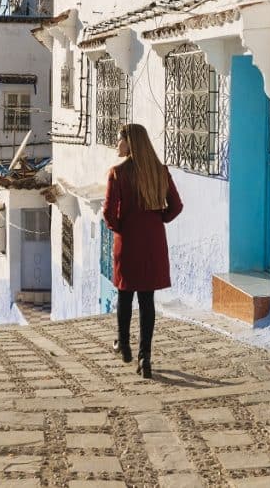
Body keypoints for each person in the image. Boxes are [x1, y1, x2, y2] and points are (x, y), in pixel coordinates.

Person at [102, 123, 183, 379]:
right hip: (153, 241)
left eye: (119, 140)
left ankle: (123, 344)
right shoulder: (159, 171)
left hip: (128, 241)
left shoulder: (118, 173)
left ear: (130, 143)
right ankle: (144, 357)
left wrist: (121, 227)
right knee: (147, 300)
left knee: (125, 294)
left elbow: (108, 212)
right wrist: (159, 220)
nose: (117, 144)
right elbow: (176, 206)